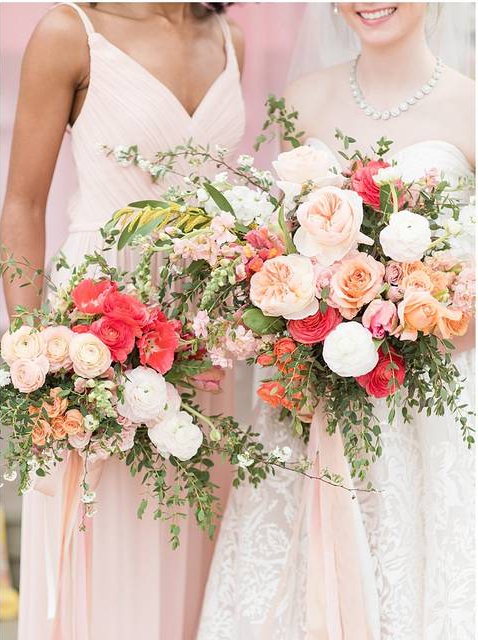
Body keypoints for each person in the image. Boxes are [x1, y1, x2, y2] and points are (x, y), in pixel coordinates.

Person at [199, 4, 475, 638]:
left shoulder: (471, 105)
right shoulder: (301, 100)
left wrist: (420, 309)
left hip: (432, 402)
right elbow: (272, 247)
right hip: (313, 394)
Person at [0, 3, 244, 638]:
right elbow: (23, 204)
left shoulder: (228, 35)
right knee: (106, 530)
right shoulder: (70, 32)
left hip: (210, 327)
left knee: (198, 529)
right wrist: (36, 356)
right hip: (100, 322)